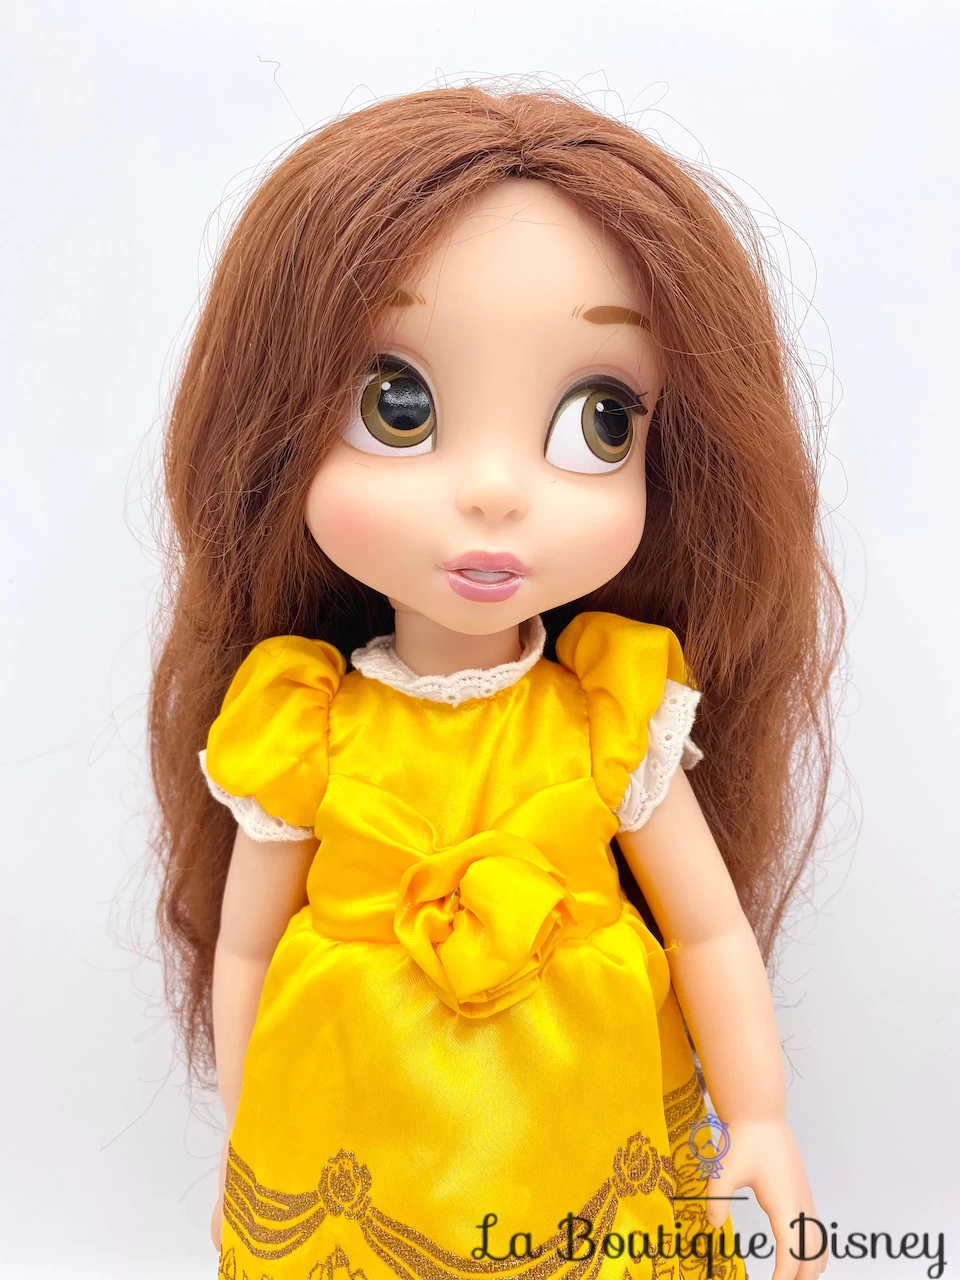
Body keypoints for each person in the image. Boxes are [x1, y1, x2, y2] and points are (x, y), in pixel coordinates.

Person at [149, 85, 842, 1279]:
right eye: (398, 406)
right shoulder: (299, 727)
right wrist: (257, 1143)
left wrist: (762, 1114)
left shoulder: (613, 713)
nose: (493, 491)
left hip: (584, 1134)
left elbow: (710, 926)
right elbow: (248, 952)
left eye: (599, 420)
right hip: (364, 1151)